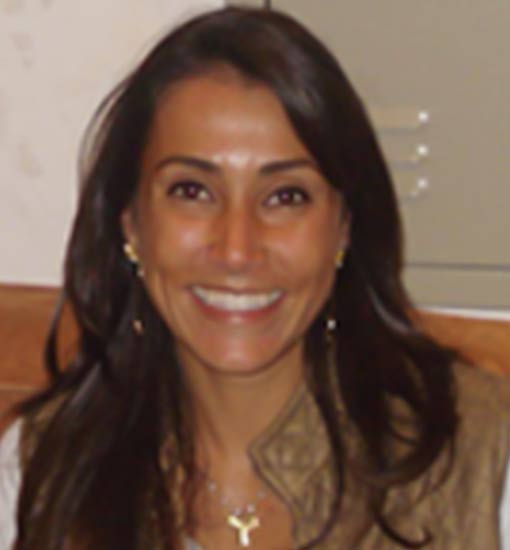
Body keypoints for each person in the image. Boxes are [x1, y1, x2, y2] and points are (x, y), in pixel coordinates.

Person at [1, 6, 509, 550]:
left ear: (344, 227)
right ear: (131, 223)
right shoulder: (41, 474)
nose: (237, 250)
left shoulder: (482, 459)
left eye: (286, 196)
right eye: (192, 191)